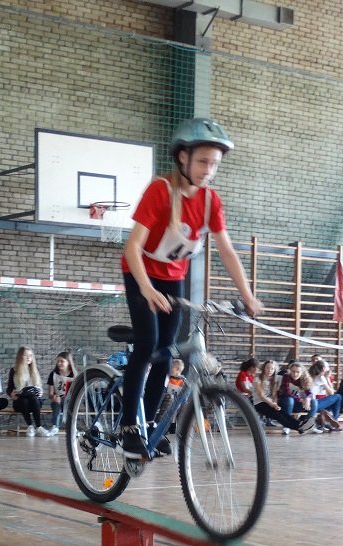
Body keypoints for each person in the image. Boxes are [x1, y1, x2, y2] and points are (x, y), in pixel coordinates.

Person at [119, 118, 263, 459]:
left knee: (166, 352)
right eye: (202, 162)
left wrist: (248, 295)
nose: (208, 170)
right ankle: (128, 426)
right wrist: (146, 290)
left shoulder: (211, 201)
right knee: (147, 344)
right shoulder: (160, 191)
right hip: (141, 272)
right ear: (183, 157)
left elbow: (226, 250)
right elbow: (133, 247)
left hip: (172, 277)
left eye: (214, 164)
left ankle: (149, 423)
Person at [253, 359, 311, 435]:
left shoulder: (275, 379)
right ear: (264, 368)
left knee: (281, 412)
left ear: (274, 370)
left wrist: (275, 403)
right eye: (267, 368)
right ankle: (298, 426)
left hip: (271, 402)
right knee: (277, 414)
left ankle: (299, 426)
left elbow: (274, 394)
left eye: (272, 369)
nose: (270, 370)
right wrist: (272, 404)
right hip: (260, 403)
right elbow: (262, 396)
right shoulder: (258, 379)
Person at [7, 346, 53, 436]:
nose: (28, 358)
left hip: (34, 402)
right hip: (20, 401)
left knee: (33, 397)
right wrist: (11, 394)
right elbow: (9, 388)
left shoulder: (34, 370)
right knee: (24, 399)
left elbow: (39, 387)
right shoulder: (14, 370)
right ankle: (30, 426)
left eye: (30, 355)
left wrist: (40, 392)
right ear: (20, 357)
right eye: (26, 355)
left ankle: (39, 427)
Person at [307, 360, 343, 431]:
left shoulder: (311, 375)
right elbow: (331, 393)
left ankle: (325, 419)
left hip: (308, 402)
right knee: (338, 397)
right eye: (327, 367)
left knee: (331, 401)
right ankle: (334, 421)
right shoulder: (321, 377)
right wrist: (327, 377)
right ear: (323, 369)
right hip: (313, 404)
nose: (329, 369)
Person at [47, 350, 77, 431]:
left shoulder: (74, 375)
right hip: (58, 400)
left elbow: (76, 392)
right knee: (57, 404)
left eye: (62, 361)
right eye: (58, 361)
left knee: (66, 402)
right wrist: (54, 396)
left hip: (70, 400)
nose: (59, 363)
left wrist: (64, 397)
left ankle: (72, 427)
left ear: (68, 362)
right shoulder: (53, 374)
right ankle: (55, 426)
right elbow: (50, 394)